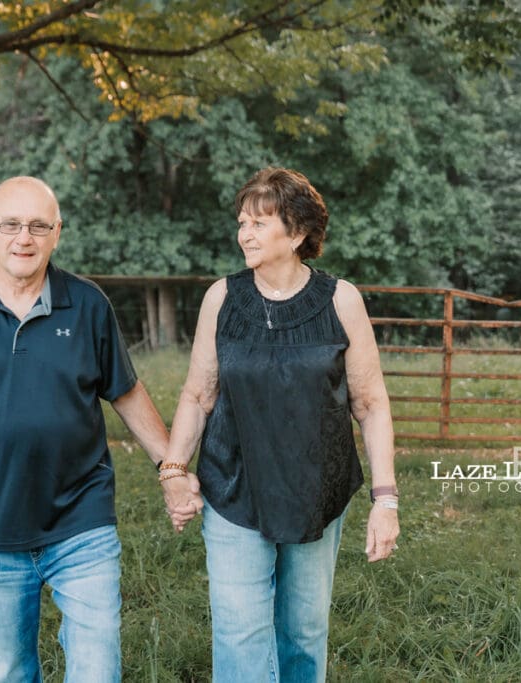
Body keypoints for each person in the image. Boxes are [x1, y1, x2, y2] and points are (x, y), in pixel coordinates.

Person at [0, 176, 201, 682]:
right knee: (13, 670)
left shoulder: (87, 305)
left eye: (39, 225)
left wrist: (171, 468)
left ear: (57, 233)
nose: (25, 238)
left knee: (97, 668)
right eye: (12, 224)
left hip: (81, 522)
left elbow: (124, 391)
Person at [163, 167, 400, 682]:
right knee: (239, 633)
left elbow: (372, 404)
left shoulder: (341, 301)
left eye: (259, 223)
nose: (244, 233)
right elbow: (198, 395)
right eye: (242, 222)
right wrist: (174, 469)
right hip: (234, 487)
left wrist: (386, 500)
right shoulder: (222, 299)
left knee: (302, 634)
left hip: (316, 489)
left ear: (297, 234)